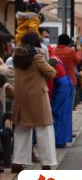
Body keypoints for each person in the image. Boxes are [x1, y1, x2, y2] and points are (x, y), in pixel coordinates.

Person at [11, 31, 56, 172]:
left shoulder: (16, 57)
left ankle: (18, 162)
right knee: (44, 130)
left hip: (21, 96)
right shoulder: (37, 57)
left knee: (22, 129)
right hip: (38, 97)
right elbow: (51, 73)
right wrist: (51, 63)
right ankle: (46, 163)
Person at [48, 56, 74, 148]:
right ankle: (63, 139)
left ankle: (59, 140)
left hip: (60, 87)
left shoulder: (49, 64)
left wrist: (49, 97)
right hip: (66, 83)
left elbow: (50, 83)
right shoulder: (55, 59)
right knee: (65, 113)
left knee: (57, 113)